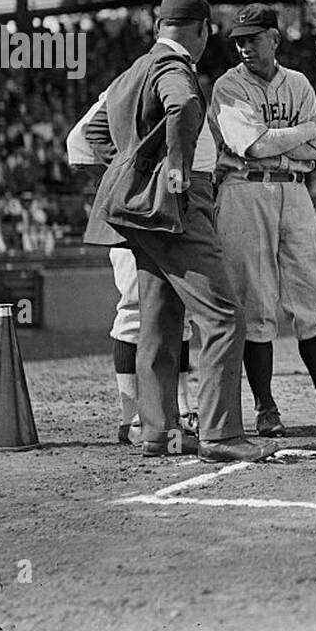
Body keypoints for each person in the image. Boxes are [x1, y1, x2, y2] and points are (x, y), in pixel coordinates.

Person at [83, 0, 274, 463]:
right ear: (203, 30)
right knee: (223, 316)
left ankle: (159, 432)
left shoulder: (132, 71)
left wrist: (133, 171)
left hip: (141, 214)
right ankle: (221, 435)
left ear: (157, 27)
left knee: (160, 318)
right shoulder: (174, 68)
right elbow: (184, 106)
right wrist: (173, 167)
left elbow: (92, 134)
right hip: (177, 207)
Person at [208, 3, 316, 437]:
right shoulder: (227, 86)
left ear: (275, 39)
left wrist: (288, 142)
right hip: (244, 189)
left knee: (315, 292)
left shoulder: (298, 83)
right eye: (239, 40)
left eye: (253, 39)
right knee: (255, 302)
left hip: (295, 190)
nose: (244, 47)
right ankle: (266, 409)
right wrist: (310, 130)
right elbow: (254, 147)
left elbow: (313, 156)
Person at [68, 88, 206, 446]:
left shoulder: (180, 86)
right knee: (133, 309)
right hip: (133, 211)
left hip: (171, 211)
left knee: (179, 311)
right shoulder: (124, 89)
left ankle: (181, 408)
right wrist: (129, 168)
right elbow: (79, 139)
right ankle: (130, 418)